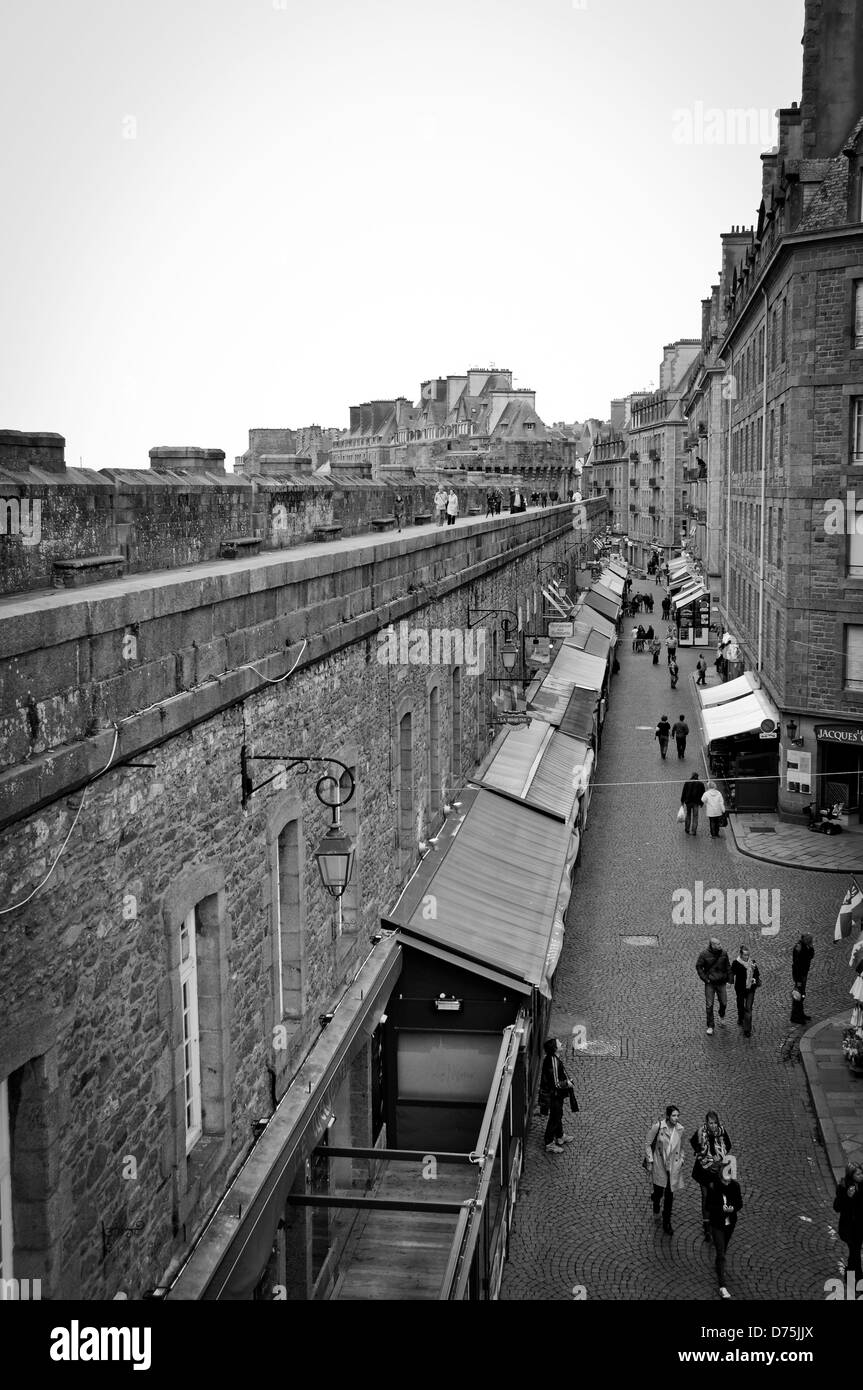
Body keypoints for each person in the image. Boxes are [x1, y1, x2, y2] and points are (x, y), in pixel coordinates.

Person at [690, 1111, 732, 1239]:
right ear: (706, 1123)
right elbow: (693, 1142)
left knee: (716, 1198)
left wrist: (719, 1157)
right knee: (705, 1196)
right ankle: (707, 1227)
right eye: (710, 1123)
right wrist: (702, 1155)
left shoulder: (722, 1132)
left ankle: (715, 1223)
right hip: (703, 1169)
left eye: (714, 1123)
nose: (713, 1126)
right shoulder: (701, 1132)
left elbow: (728, 1145)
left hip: (717, 1170)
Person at [644, 1105, 685, 1234]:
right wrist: (650, 1160)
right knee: (658, 1193)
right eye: (674, 1115)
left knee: (669, 1196)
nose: (676, 1118)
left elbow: (682, 1148)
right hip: (659, 1165)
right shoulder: (658, 1127)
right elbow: (648, 1144)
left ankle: (667, 1222)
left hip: (672, 1168)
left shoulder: (680, 1129)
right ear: (668, 1116)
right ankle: (656, 1205)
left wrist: (682, 1160)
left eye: (677, 1115)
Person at [705, 1161, 743, 1298]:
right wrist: (721, 1209)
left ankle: (718, 1265)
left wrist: (732, 1208)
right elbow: (708, 1206)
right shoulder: (714, 1187)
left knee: (723, 1249)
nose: (728, 1182)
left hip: (730, 1224)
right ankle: (722, 1285)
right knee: (721, 1252)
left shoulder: (735, 1186)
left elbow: (739, 1203)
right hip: (717, 1224)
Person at [539, 1037, 577, 1154]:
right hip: (553, 1095)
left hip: (555, 1094)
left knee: (558, 1114)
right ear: (555, 1048)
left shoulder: (553, 1058)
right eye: (558, 1042)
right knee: (554, 1118)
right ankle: (549, 1143)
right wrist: (567, 1083)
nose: (561, 1043)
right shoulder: (553, 1061)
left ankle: (560, 1136)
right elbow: (555, 1083)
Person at [833, 1163, 863, 1281]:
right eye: (858, 1174)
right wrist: (847, 1197)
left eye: (862, 1173)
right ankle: (858, 1279)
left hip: (860, 1227)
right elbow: (837, 1207)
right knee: (855, 1253)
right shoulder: (844, 1187)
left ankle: (850, 1275)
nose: (861, 1176)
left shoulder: (862, 1185)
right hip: (849, 1228)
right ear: (851, 1175)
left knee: (854, 1254)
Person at [696, 936, 731, 1034]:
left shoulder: (724, 953)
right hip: (710, 983)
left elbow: (728, 967)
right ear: (712, 945)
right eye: (718, 944)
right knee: (709, 1005)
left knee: (724, 1002)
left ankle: (721, 1015)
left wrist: (730, 980)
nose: (721, 945)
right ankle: (710, 1026)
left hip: (721, 982)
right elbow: (699, 967)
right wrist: (705, 979)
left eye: (720, 943)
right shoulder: (704, 954)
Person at [731, 944, 761, 1037]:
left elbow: (757, 974)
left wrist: (755, 979)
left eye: (748, 955)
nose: (747, 957)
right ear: (740, 955)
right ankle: (740, 1018)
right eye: (745, 955)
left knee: (748, 1008)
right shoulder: (736, 963)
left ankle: (747, 1030)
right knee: (740, 1006)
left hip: (750, 989)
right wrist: (729, 982)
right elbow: (731, 973)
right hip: (740, 989)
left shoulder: (752, 962)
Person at [791, 932, 815, 1023]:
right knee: (797, 995)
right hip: (799, 975)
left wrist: (811, 948)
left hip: (803, 974)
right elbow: (797, 963)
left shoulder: (806, 947)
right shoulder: (799, 947)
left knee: (802, 994)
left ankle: (800, 1014)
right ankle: (795, 1017)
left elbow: (811, 956)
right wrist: (798, 979)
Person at [681, 770, 705, 835]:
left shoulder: (687, 782)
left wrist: (682, 801)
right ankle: (694, 831)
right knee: (695, 816)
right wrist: (701, 803)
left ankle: (687, 829)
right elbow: (703, 794)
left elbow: (684, 792)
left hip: (688, 802)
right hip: (696, 803)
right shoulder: (701, 784)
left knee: (688, 815)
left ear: (692, 776)